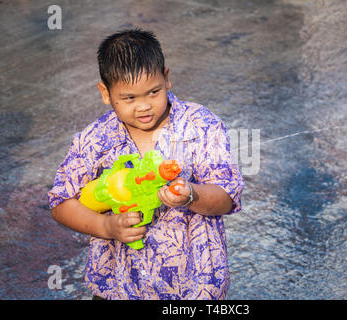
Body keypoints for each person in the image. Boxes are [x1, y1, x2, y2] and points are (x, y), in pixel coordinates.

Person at [48, 28, 245, 300]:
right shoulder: (95, 139)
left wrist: (191, 195)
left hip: (195, 290)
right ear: (105, 92)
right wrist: (106, 227)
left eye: (153, 92)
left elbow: (226, 197)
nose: (143, 107)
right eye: (129, 98)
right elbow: (60, 202)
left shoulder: (200, 125)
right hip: (118, 290)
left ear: (166, 78)